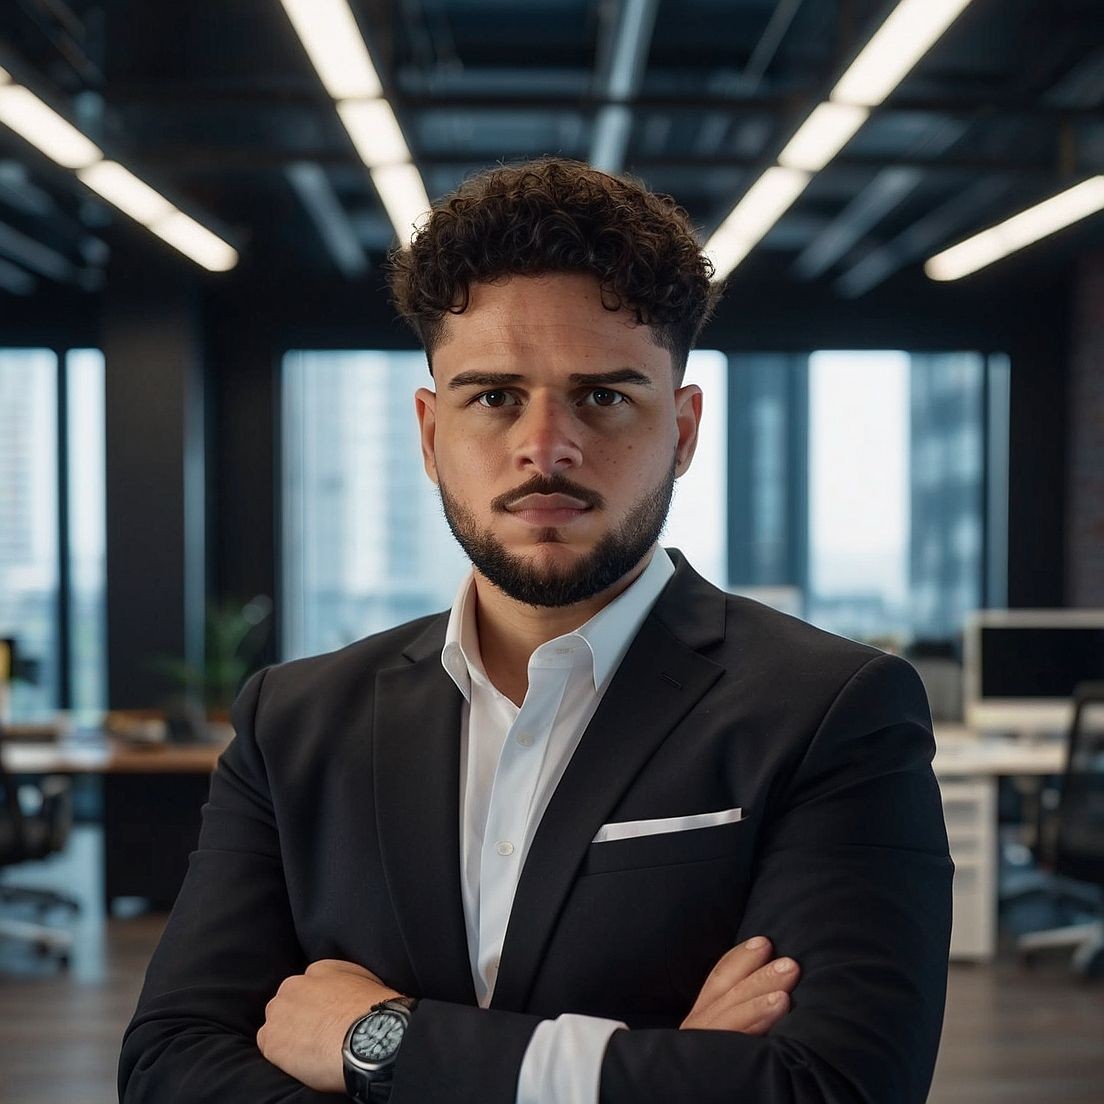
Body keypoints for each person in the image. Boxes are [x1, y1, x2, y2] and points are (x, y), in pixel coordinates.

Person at [119, 158, 953, 1104]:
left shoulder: (833, 712)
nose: (545, 446)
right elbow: (170, 1064)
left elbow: (833, 1090)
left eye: (604, 396)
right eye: (493, 396)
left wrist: (379, 1043)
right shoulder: (293, 722)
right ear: (431, 435)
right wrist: (656, 1068)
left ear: (682, 430)